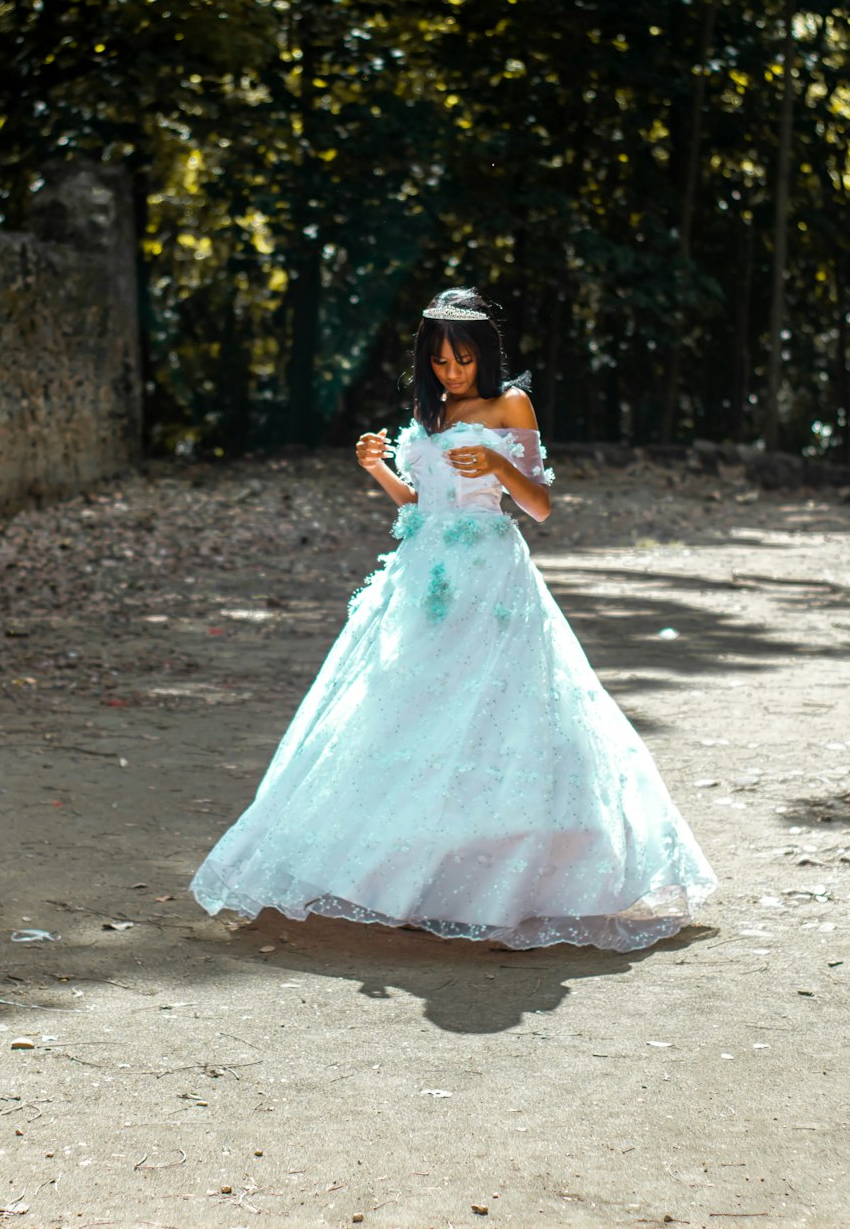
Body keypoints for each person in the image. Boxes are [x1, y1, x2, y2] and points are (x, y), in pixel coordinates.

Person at [190, 287, 716, 951]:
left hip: (489, 575)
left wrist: (497, 459)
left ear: (484, 355)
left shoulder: (509, 404)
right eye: (439, 361)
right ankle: (401, 876)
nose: (451, 372)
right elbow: (421, 503)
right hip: (419, 576)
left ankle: (504, 878)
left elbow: (540, 506)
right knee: (405, 717)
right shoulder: (429, 408)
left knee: (492, 716)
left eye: (462, 359)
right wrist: (379, 467)